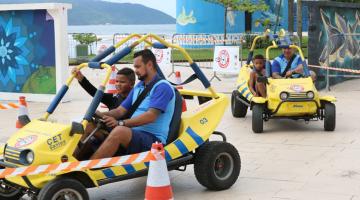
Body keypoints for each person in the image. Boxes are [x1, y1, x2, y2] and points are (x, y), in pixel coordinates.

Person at [86, 49, 175, 160]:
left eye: (138, 67)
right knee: (89, 125)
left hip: (153, 140)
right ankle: (70, 165)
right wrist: (101, 114)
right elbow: (120, 111)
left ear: (150, 65)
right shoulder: (139, 87)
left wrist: (120, 123)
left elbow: (151, 116)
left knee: (119, 131)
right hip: (133, 134)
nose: (135, 70)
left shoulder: (162, 87)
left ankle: (87, 170)